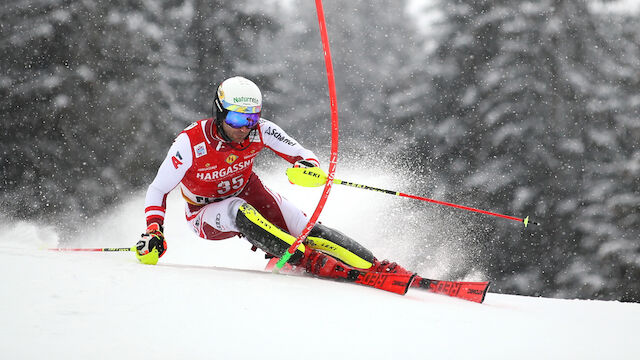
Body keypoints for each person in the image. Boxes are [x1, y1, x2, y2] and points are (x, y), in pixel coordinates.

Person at [135, 76, 413, 281]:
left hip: (249, 190)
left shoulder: (261, 130)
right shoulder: (190, 142)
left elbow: (303, 155)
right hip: (204, 212)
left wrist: (306, 167)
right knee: (236, 211)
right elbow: (159, 188)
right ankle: (306, 260)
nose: (244, 129)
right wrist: (154, 230)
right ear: (219, 113)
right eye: (236, 119)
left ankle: (374, 266)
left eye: (251, 119)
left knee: (304, 227)